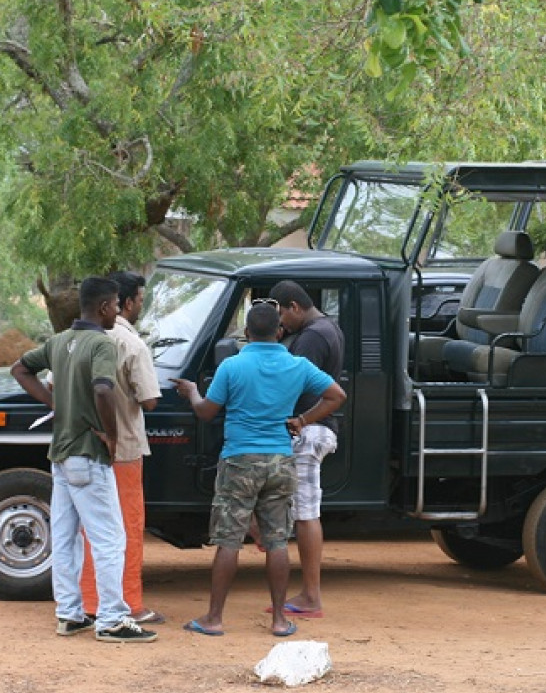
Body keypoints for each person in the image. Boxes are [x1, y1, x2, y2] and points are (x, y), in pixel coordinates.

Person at [172, 302, 346, 637]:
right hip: (281, 460)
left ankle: (214, 618)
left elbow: (207, 412)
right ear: (279, 331)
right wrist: (302, 420)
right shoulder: (297, 365)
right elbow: (337, 395)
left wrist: (193, 392)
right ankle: (280, 620)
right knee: (278, 540)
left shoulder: (232, 366)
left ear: (247, 333)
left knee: (229, 541)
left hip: (239, 460)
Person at [10, 276, 157, 643]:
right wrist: (111, 435)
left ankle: (70, 614)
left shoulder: (60, 341)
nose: (116, 313)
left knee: (65, 537)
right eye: (114, 306)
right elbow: (104, 390)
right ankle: (112, 619)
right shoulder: (102, 344)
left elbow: (20, 369)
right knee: (109, 538)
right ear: (106, 307)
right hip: (89, 455)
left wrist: (55, 405)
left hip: (60, 455)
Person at [79, 272, 163, 625]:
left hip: (80, 447)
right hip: (123, 447)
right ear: (121, 303)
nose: (138, 306)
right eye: (139, 300)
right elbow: (149, 400)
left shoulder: (73, 340)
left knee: (88, 527)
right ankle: (129, 601)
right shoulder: (132, 345)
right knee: (127, 526)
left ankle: (89, 600)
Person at [265, 279, 344, 618]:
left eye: (282, 314)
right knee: (300, 509)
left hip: (310, 432)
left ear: (294, 306)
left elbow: (295, 384)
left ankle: (311, 597)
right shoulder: (328, 327)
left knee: (307, 513)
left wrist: (302, 419)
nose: (281, 322)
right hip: (316, 428)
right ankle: (307, 593)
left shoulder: (312, 337)